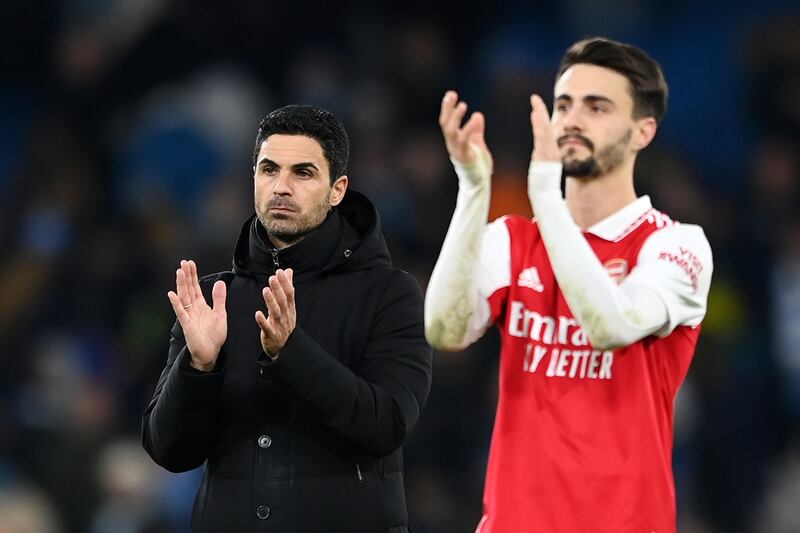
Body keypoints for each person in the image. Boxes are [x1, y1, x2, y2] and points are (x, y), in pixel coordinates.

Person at [425, 37, 713, 532]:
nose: (573, 119)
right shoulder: (512, 240)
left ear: (643, 131)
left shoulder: (675, 246)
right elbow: (444, 331)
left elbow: (612, 325)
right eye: (564, 105)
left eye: (597, 107)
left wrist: (546, 198)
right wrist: (473, 189)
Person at [142, 104, 432, 533]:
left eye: (303, 173)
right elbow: (169, 451)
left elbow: (386, 425)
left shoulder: (390, 294)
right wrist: (198, 367)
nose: (281, 186)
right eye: (269, 169)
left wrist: (291, 352)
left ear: (337, 190)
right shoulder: (212, 299)